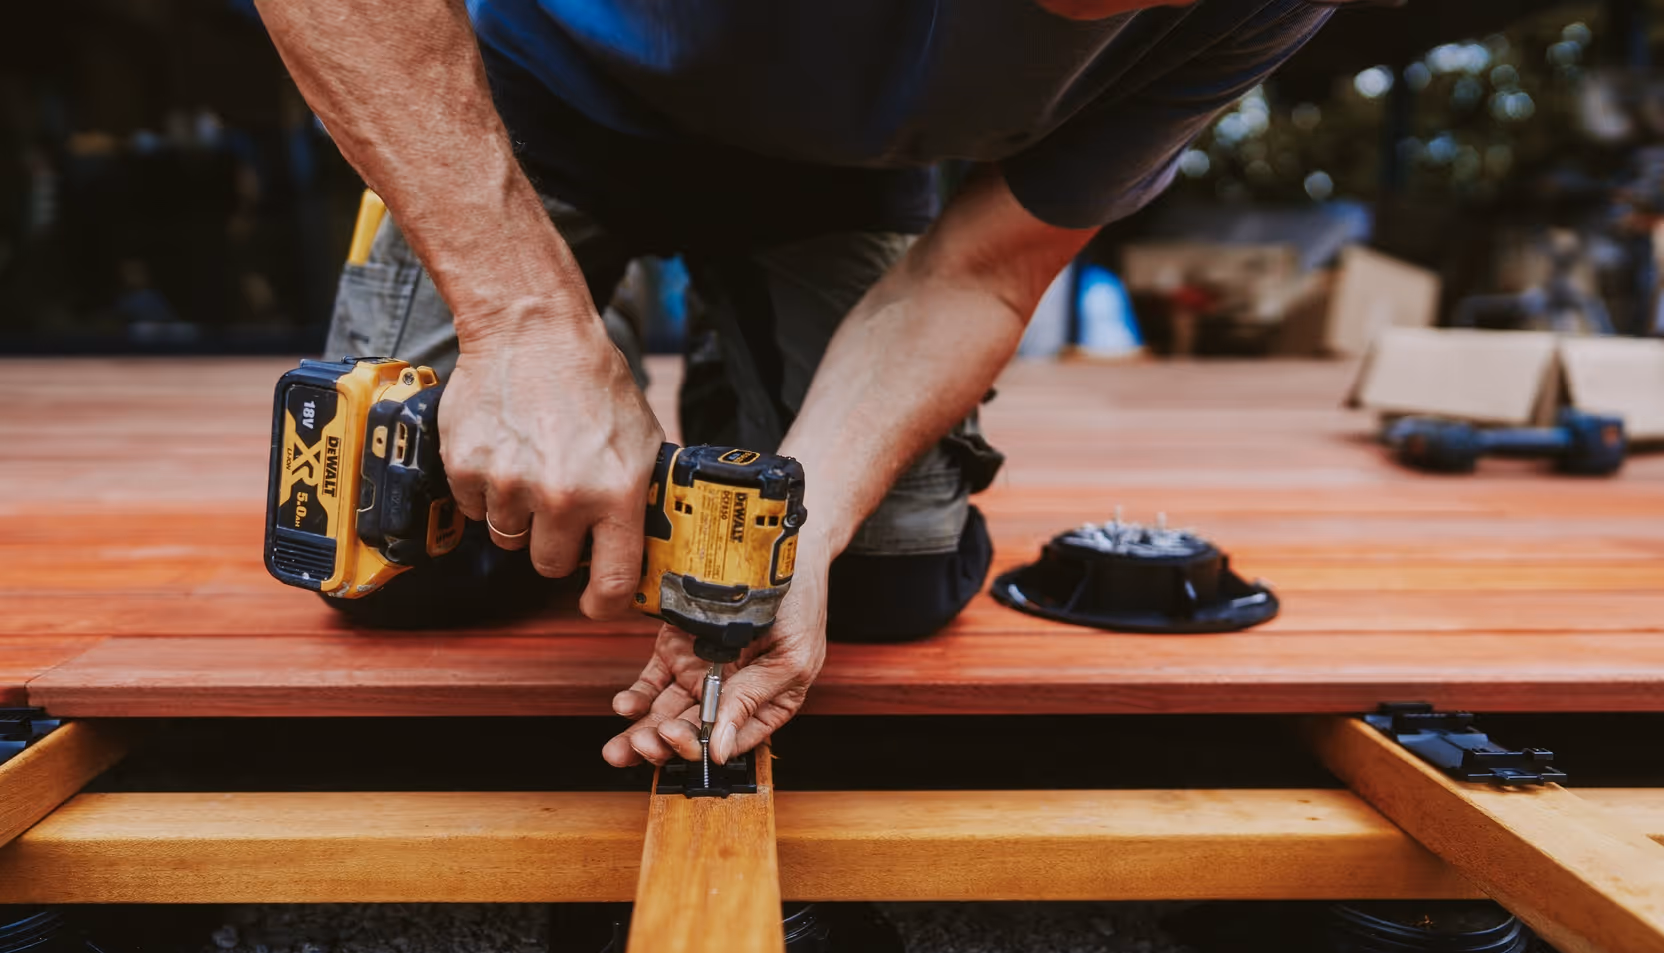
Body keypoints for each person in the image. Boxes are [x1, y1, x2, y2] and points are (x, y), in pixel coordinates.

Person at [257, 0, 1334, 769]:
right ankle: (584, 309)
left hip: (834, 178)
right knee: (419, 561)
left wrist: (801, 531)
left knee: (880, 580)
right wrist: (525, 325)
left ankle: (727, 337)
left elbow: (982, 271)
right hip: (521, 97)